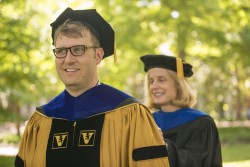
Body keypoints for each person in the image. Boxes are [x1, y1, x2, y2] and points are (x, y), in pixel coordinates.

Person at [14, 8, 170, 167]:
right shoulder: (40, 120)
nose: (68, 59)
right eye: (60, 51)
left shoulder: (130, 115)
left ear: (98, 55)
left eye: (78, 49)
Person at [140, 54, 222, 167]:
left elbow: (197, 162)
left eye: (161, 80)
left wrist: (164, 146)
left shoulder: (201, 123)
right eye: (151, 81)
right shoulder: (146, 122)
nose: (154, 86)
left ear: (178, 85)